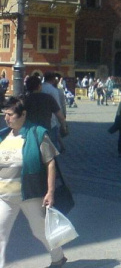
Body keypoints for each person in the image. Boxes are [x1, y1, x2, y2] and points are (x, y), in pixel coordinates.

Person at [0, 97, 67, 267]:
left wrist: (50, 192)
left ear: (23, 114)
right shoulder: (3, 136)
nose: (6, 118)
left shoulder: (37, 133)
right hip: (5, 196)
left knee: (40, 231)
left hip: (30, 194)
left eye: (10, 115)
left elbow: (50, 162)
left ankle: (58, 257)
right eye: (4, 114)